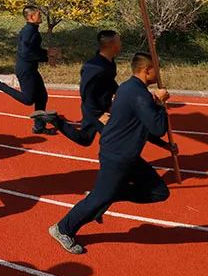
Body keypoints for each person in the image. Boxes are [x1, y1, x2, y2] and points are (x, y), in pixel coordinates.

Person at [49, 52, 176, 254]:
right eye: (156, 69)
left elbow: (141, 126)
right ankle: (63, 228)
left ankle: (109, 194)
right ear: (146, 71)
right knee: (97, 199)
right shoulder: (139, 95)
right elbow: (158, 127)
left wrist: (165, 146)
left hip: (127, 155)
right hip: (117, 156)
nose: (158, 73)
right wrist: (160, 104)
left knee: (159, 191)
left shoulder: (128, 88)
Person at [0, 5, 58, 134]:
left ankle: (39, 127)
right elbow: (26, 53)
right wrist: (47, 58)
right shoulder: (30, 32)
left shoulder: (32, 30)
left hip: (31, 69)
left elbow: (32, 50)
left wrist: (47, 53)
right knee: (28, 100)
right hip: (25, 70)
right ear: (31, 17)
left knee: (41, 97)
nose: (41, 16)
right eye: (38, 15)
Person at [45, 30, 121, 146]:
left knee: (85, 139)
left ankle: (55, 120)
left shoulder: (109, 62)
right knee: (117, 140)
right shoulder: (95, 67)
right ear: (111, 45)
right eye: (119, 41)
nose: (121, 43)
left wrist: (121, 93)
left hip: (102, 106)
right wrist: (98, 115)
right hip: (94, 110)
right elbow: (86, 92)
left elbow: (109, 82)